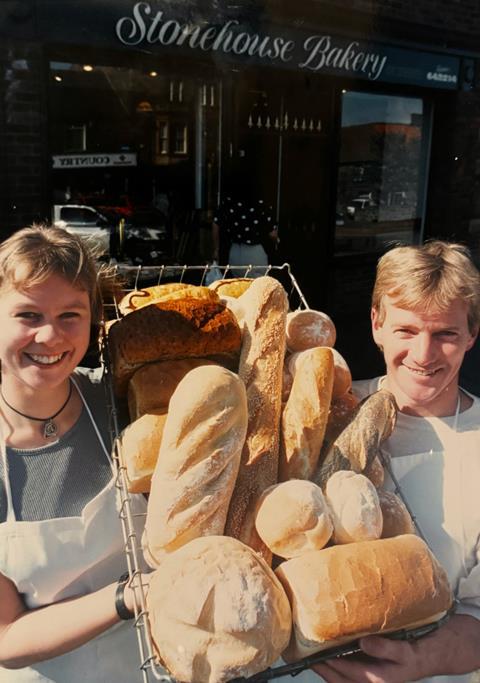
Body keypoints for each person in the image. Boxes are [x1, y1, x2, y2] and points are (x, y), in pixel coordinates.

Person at [312, 241, 480, 683]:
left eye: (445, 334)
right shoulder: (325, 412)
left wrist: (419, 662)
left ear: (471, 336)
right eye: (406, 331)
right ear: (377, 325)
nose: (424, 355)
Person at [0, 225, 148, 682]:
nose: (50, 336)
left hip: (152, 667)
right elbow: (6, 638)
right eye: (28, 314)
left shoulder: (125, 407)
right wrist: (129, 597)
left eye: (70, 315)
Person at [211, 191, 279, 277]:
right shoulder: (262, 203)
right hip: (255, 253)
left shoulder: (228, 202)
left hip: (235, 252)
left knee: (239, 285)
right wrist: (276, 242)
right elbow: (273, 234)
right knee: (259, 286)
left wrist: (216, 249)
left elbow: (215, 223)